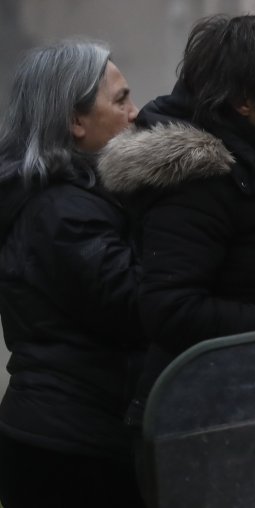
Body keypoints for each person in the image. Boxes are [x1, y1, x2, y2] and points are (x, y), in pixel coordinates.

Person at [97, 13, 255, 507]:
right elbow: (170, 309)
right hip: (201, 433)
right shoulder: (198, 183)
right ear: (243, 101)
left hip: (246, 418)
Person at [0, 40, 145, 507]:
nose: (135, 113)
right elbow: (135, 305)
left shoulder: (72, 197)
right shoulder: (61, 211)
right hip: (70, 450)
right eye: (120, 99)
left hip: (70, 437)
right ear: (74, 121)